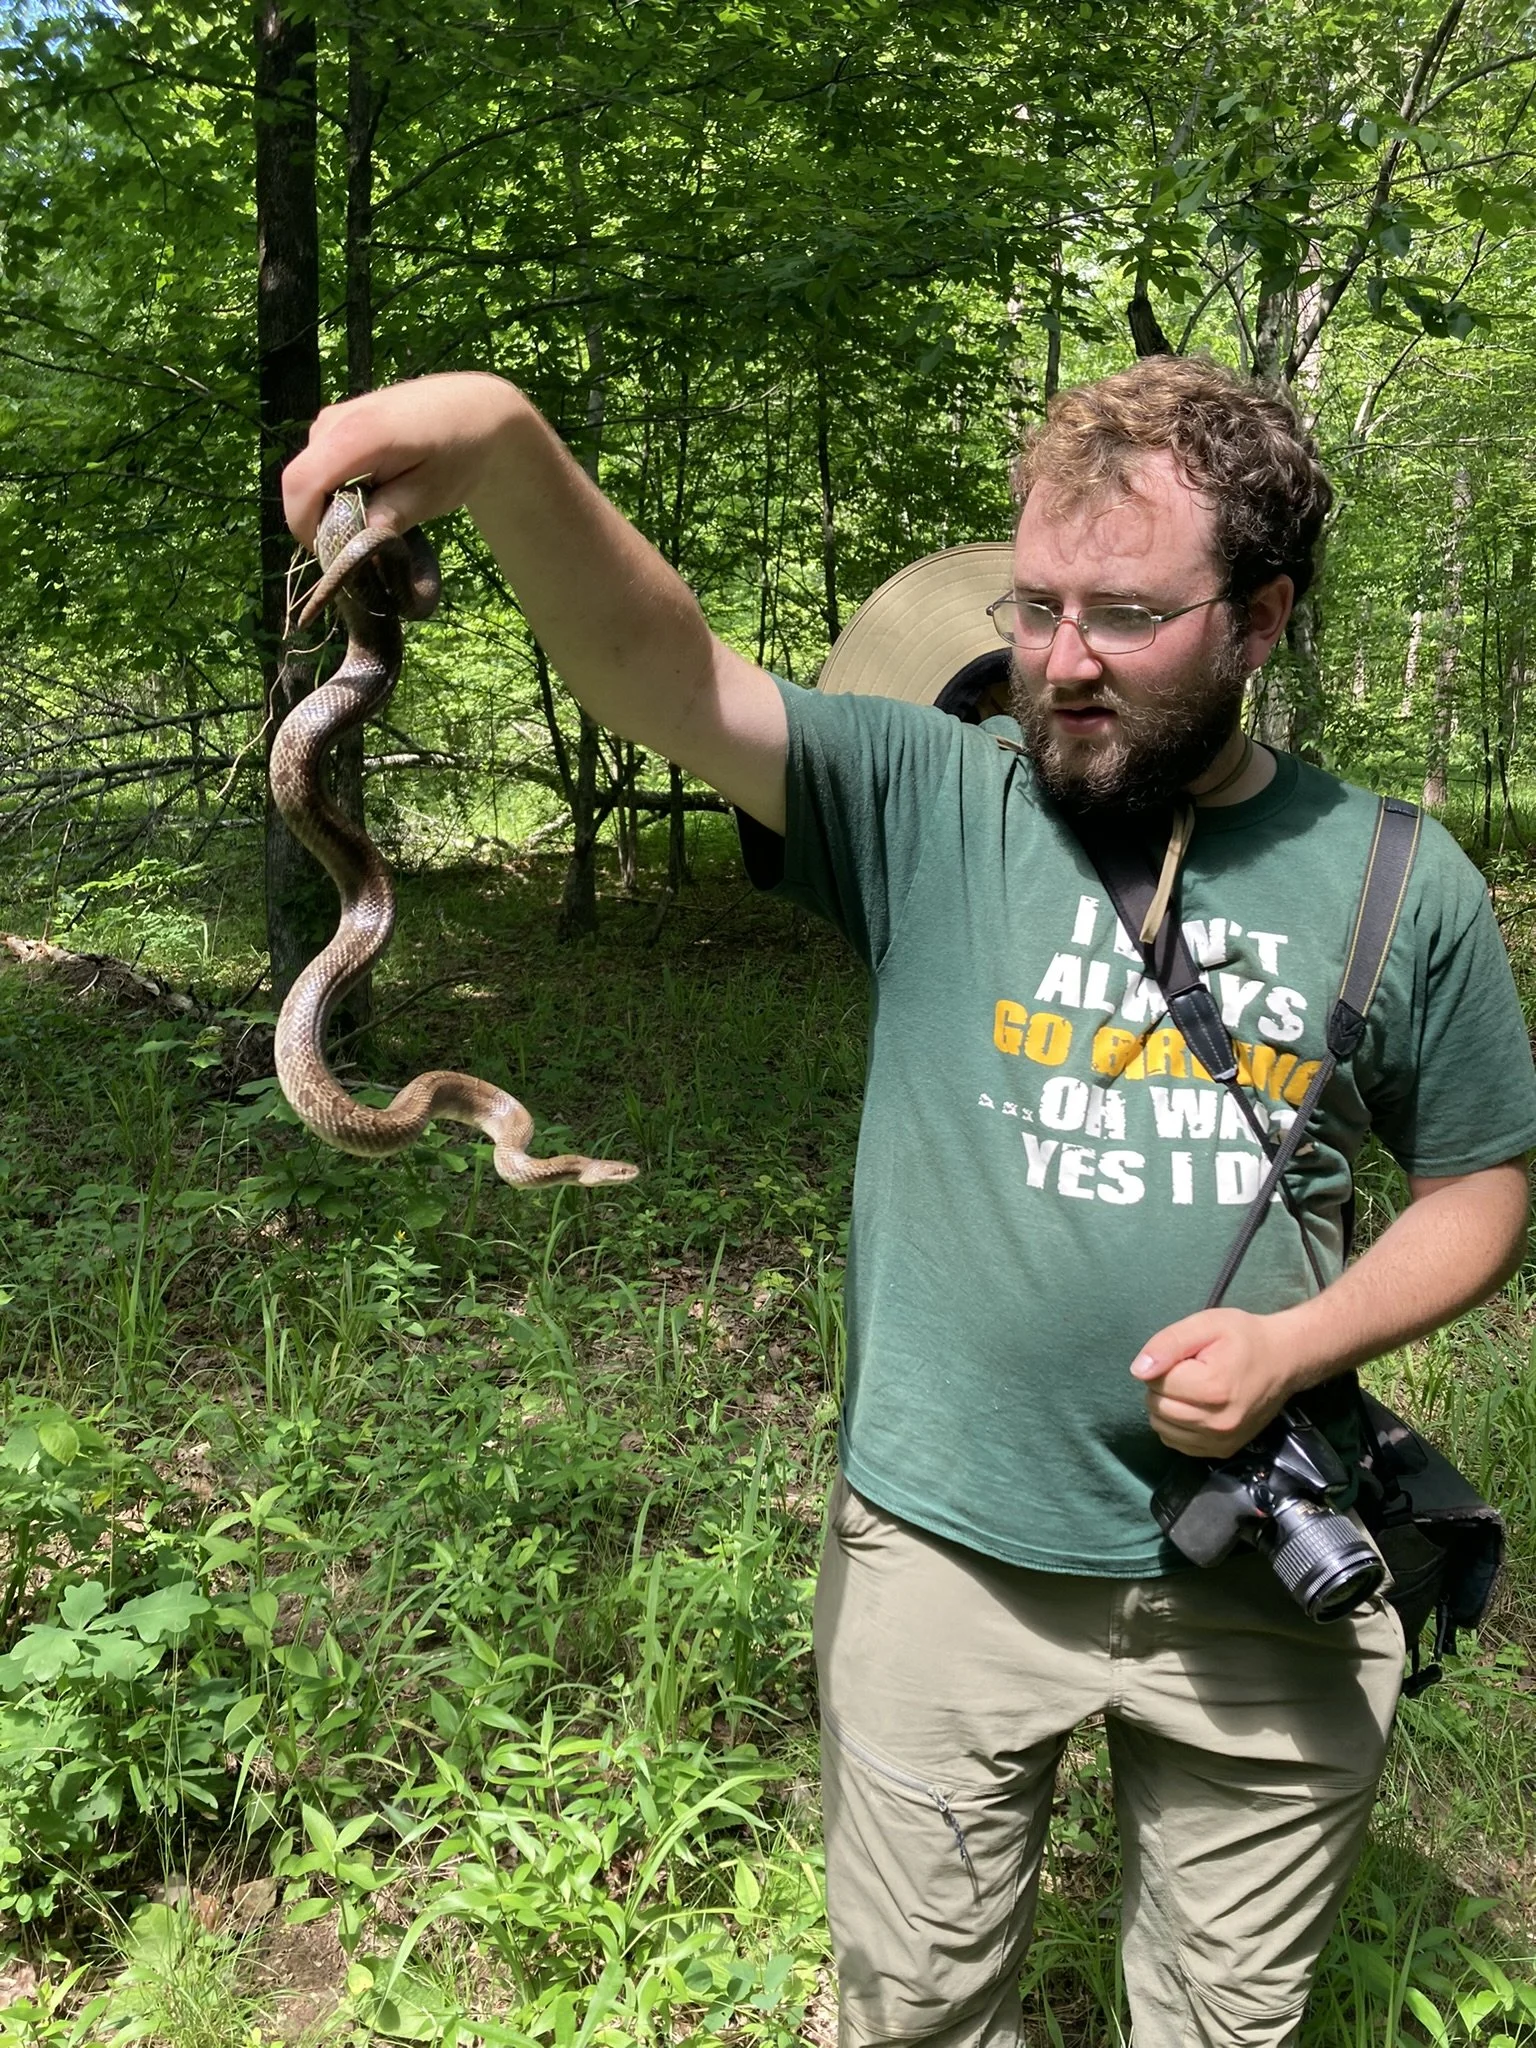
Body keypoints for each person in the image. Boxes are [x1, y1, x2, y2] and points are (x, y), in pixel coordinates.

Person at [285, 355, 1536, 2048]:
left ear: (1259, 620)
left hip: (1261, 1570)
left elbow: (1480, 1187)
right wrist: (510, 451)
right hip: (945, 1563)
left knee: (1229, 2024)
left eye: (1127, 614)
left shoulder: (1398, 877)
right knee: (916, 2012)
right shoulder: (927, 803)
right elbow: (662, 668)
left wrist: (1305, 1337)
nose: (1062, 661)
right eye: (1035, 606)